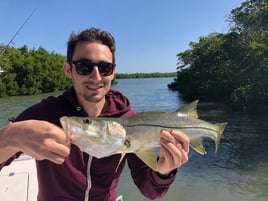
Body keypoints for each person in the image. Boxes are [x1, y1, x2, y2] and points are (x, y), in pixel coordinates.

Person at [0, 27, 190, 201]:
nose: (96, 76)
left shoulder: (127, 120)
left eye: (104, 67)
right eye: (84, 66)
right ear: (69, 70)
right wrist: (9, 137)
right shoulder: (45, 113)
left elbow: (150, 191)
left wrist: (164, 171)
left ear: (113, 72)